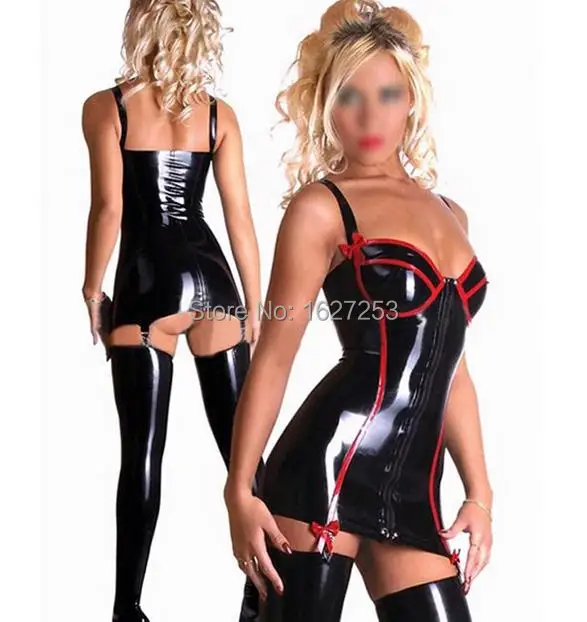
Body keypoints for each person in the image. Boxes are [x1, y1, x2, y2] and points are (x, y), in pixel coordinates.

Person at [223, 1, 492, 620]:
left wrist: (480, 492)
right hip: (325, 465)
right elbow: (274, 356)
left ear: (412, 99)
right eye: (349, 96)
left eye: (388, 94)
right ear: (325, 103)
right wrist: (239, 487)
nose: (371, 116)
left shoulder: (451, 212)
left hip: (414, 487)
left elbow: (452, 368)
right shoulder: (321, 207)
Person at [81, 1, 264, 620]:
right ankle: (266, 593)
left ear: (139, 27)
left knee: (141, 453)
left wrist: (92, 289)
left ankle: (126, 609)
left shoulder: (107, 108)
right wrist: (255, 306)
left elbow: (110, 209)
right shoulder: (217, 115)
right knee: (244, 458)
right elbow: (239, 219)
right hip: (215, 284)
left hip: (147, 286)